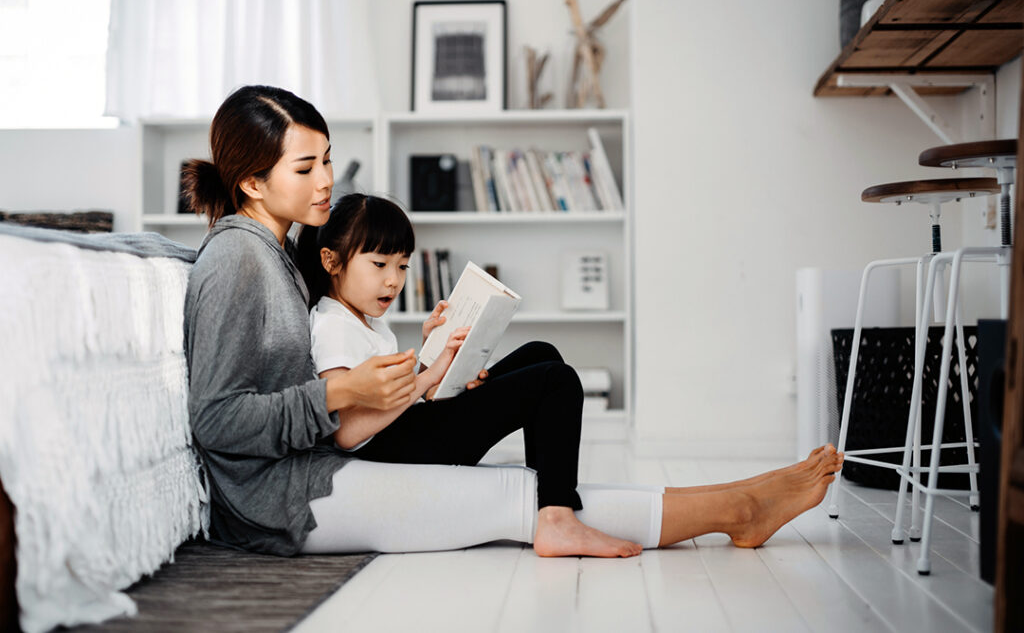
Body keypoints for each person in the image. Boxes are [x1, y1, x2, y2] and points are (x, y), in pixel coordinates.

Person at [182, 84, 844, 560]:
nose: (327, 179)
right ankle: (735, 507)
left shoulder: (277, 254)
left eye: (327, 158)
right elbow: (214, 421)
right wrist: (340, 394)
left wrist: (419, 366)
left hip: (318, 462)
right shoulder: (238, 259)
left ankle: (729, 504)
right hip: (285, 497)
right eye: (307, 167)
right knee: (511, 493)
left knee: (533, 427)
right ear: (252, 184)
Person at [296, 192, 472, 453]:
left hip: (405, 432)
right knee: (542, 379)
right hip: (392, 445)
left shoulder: (365, 322)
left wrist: (430, 353)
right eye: (380, 264)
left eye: (402, 266)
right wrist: (428, 377)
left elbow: (406, 398)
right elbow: (346, 431)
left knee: (537, 354)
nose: (394, 280)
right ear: (331, 261)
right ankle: (552, 495)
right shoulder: (334, 326)